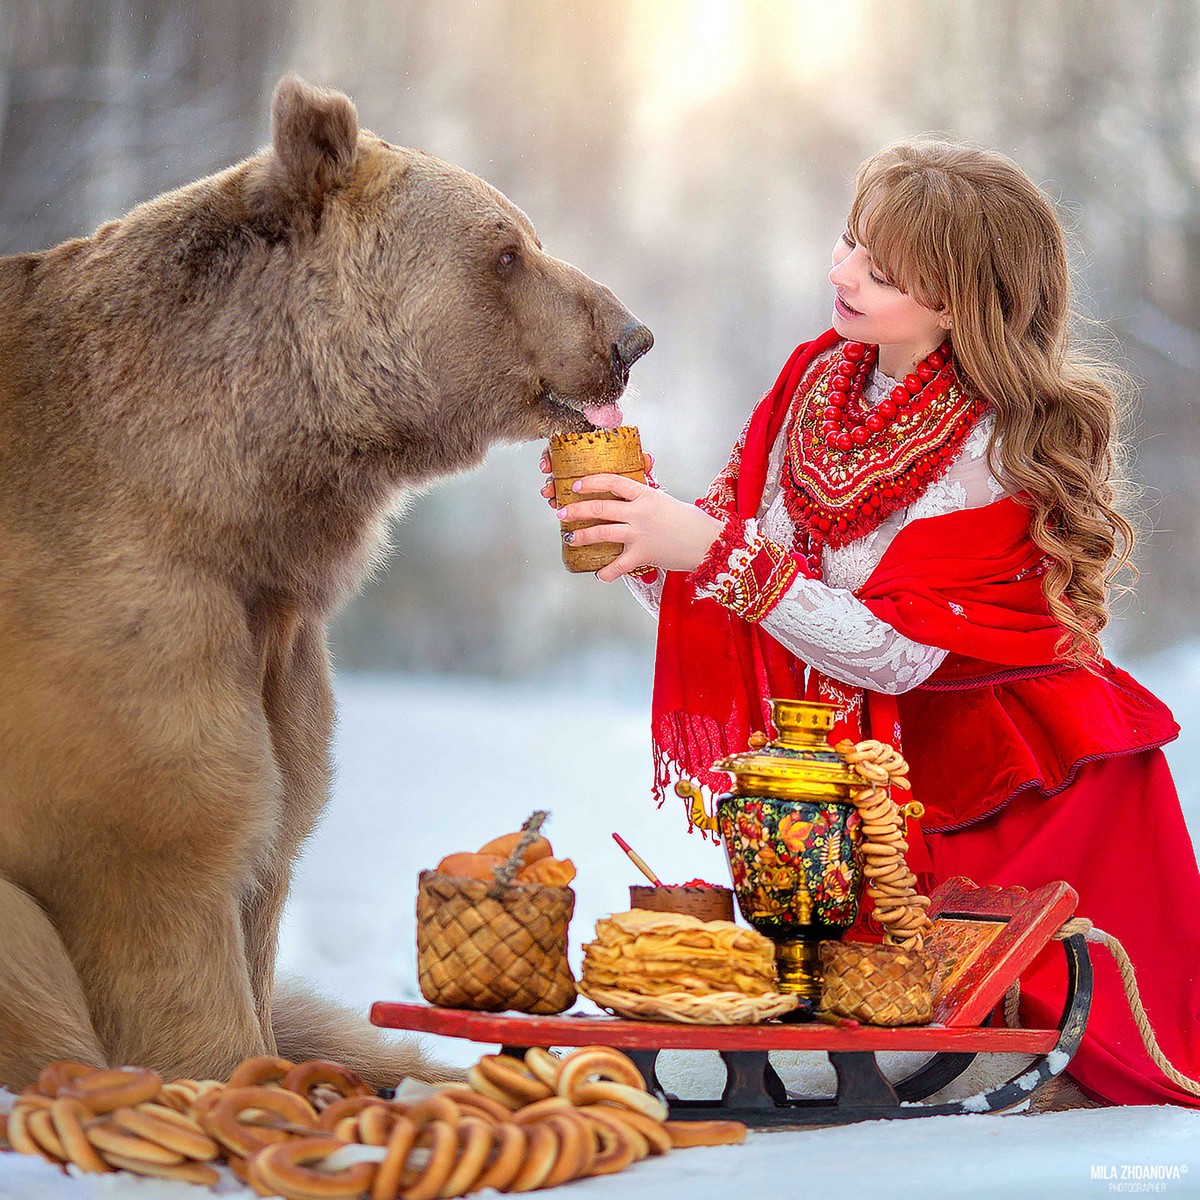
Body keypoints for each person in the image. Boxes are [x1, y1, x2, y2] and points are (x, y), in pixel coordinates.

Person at [539, 140, 1200, 1109]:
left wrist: (710, 549)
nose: (842, 273)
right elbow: (752, 598)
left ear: (958, 302)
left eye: (880, 270)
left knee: (911, 1045)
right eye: (849, 242)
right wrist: (640, 526)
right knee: (807, 1031)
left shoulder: (995, 448)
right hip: (858, 801)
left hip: (1008, 810)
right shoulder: (816, 382)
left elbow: (891, 654)